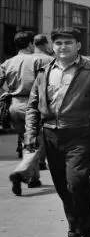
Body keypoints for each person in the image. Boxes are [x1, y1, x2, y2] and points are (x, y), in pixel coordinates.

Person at [23, 27, 90, 237]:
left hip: (81, 134)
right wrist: (30, 134)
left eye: (68, 43)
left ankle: (87, 230)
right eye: (59, 43)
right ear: (52, 46)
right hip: (51, 135)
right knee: (63, 187)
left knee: (77, 181)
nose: (63, 47)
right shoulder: (44, 71)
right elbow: (33, 106)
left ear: (78, 45)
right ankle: (74, 229)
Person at [4, 31, 48, 194]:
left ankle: (33, 179)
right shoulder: (40, 59)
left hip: (14, 106)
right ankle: (21, 173)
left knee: (26, 141)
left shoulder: (7, 63)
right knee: (36, 141)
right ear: (31, 44)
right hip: (33, 106)